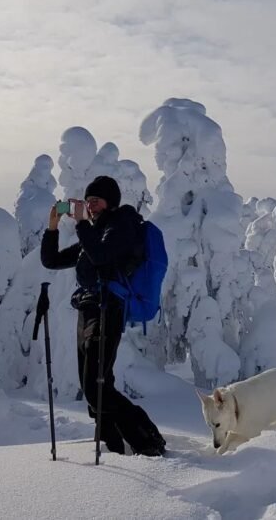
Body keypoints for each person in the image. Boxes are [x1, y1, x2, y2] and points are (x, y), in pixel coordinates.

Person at [40, 175, 166, 456]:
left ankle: (148, 440)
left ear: (110, 202)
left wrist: (82, 223)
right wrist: (52, 226)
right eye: (87, 202)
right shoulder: (95, 233)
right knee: (99, 385)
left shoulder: (123, 224)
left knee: (94, 386)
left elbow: (102, 256)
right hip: (88, 310)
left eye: (96, 201)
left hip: (108, 309)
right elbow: (51, 261)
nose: (90, 206)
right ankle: (113, 446)